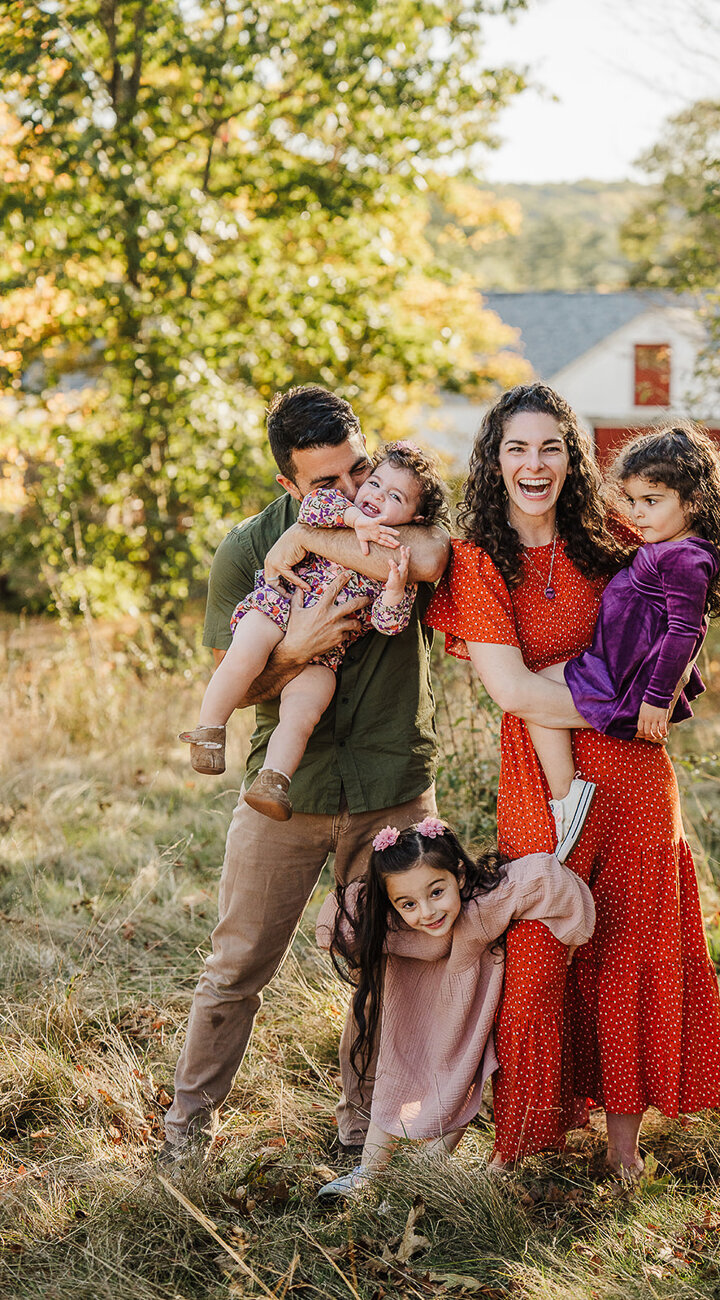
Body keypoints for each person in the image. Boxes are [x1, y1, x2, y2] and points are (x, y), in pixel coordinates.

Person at [426, 383, 720, 1179]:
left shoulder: (613, 531)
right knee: (535, 960)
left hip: (634, 779)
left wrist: (654, 693)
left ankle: (624, 1151)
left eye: (550, 447)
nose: (534, 464)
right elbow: (515, 693)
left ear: (571, 456)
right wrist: (625, 704)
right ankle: (518, 1144)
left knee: (632, 948)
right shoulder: (479, 560)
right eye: (516, 449)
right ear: (494, 462)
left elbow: (683, 613)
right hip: (544, 780)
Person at [162, 385, 450, 1159]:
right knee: (235, 964)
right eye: (326, 484)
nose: (353, 490)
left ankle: (365, 1133)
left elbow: (429, 559)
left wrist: (318, 542)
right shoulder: (247, 546)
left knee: (387, 968)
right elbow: (233, 680)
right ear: (288, 486)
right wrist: (296, 649)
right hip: (287, 787)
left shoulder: (404, 512)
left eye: (356, 467)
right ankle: (186, 1131)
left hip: (392, 782)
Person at [314, 817, 595, 1197]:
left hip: (463, 1026)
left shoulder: (481, 908)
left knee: (454, 1095)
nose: (427, 913)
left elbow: (546, 877)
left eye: (436, 892)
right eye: (408, 903)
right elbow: (333, 923)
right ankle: (368, 1175)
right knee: (394, 1082)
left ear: (459, 876)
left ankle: (417, 1187)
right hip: (412, 1020)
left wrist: (572, 939)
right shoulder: (395, 926)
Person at [179, 443, 448, 821]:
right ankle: (208, 730)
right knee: (246, 655)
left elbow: (390, 623)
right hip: (276, 606)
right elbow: (314, 507)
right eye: (374, 483)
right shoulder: (339, 512)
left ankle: (274, 779)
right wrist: (354, 520)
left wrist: (393, 590)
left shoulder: (402, 558)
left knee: (305, 709)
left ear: (414, 519)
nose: (374, 495)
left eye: (394, 497)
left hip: (327, 655)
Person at [525, 422, 720, 861]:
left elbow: (687, 630)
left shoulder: (687, 557)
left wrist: (656, 697)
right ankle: (566, 797)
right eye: (633, 501)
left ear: (695, 501)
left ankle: (565, 799)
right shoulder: (666, 544)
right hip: (610, 664)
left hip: (624, 680)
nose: (638, 514)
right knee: (533, 688)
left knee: (533, 693)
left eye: (651, 501)